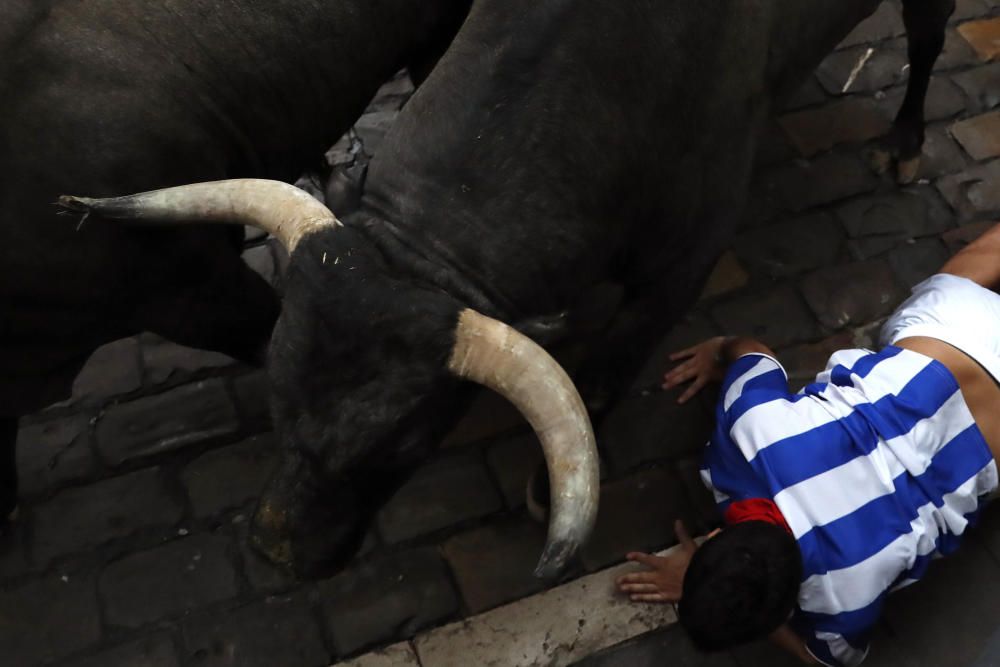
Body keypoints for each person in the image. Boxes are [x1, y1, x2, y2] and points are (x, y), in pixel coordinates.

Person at [616, 222, 1000, 667]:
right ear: (718, 534)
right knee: (978, 260)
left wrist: (736, 605)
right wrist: (719, 348)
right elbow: (752, 351)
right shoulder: (748, 438)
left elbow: (825, 662)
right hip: (950, 335)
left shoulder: (844, 598)